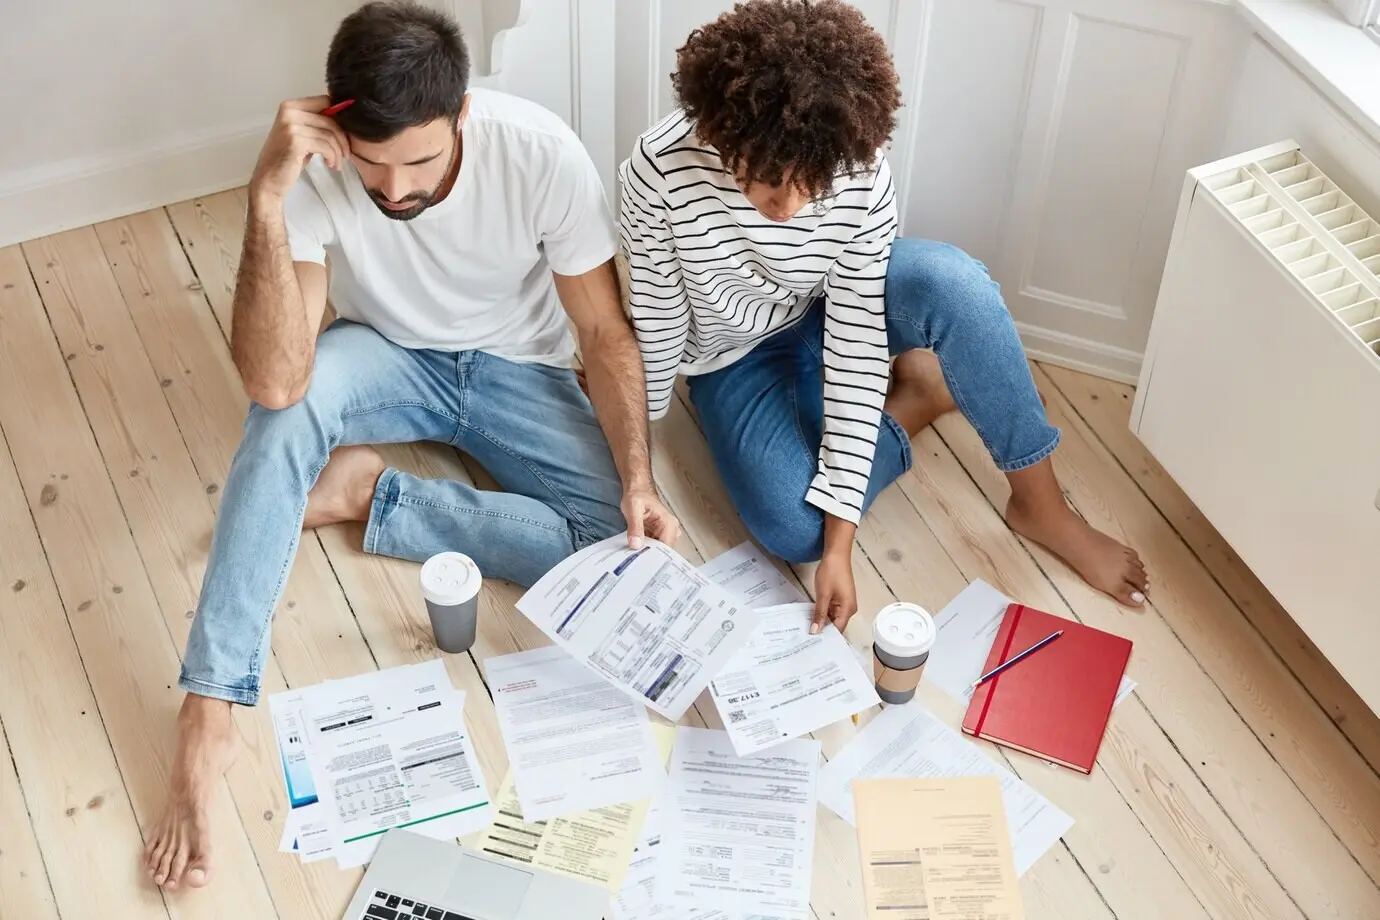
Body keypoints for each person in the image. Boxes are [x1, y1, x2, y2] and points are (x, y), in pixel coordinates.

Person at [144, 1, 679, 890]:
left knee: (614, 548)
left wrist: (639, 479)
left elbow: (602, 332)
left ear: (462, 113)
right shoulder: (315, 170)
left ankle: (375, 497)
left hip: (517, 366)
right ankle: (208, 713)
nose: (394, 190)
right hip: (384, 354)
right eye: (374, 165)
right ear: (339, 128)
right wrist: (266, 196)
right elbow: (276, 379)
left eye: (420, 162)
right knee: (280, 421)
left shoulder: (541, 152)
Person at [618, 0, 1148, 635]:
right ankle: (919, 399)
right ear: (722, 134)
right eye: (764, 179)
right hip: (734, 354)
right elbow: (657, 313)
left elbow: (856, 347)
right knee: (796, 529)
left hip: (837, 307)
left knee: (955, 285)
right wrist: (637, 439)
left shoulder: (858, 166)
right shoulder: (659, 169)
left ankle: (1042, 505)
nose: (787, 206)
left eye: (809, 183)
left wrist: (842, 546)